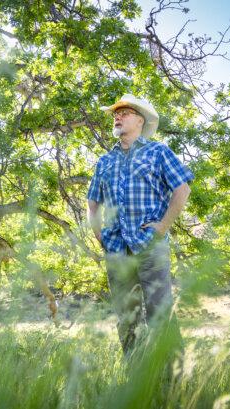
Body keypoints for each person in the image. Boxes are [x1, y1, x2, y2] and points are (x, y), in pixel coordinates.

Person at [87, 94, 193, 354]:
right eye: (115, 113)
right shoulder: (105, 161)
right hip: (117, 251)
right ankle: (134, 379)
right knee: (127, 318)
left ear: (140, 119)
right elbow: (92, 203)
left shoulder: (158, 152)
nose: (117, 116)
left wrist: (162, 227)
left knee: (160, 314)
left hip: (149, 247)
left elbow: (182, 189)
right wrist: (99, 233)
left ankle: (173, 379)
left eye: (123, 112)